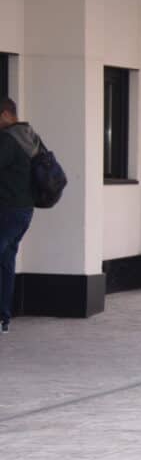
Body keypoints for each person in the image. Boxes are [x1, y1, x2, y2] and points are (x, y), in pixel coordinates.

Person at [0, 97, 36, 334]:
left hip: (6, 209)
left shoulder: (7, 139)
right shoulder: (29, 135)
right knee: (5, 263)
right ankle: (3, 318)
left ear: (4, 114)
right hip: (23, 211)